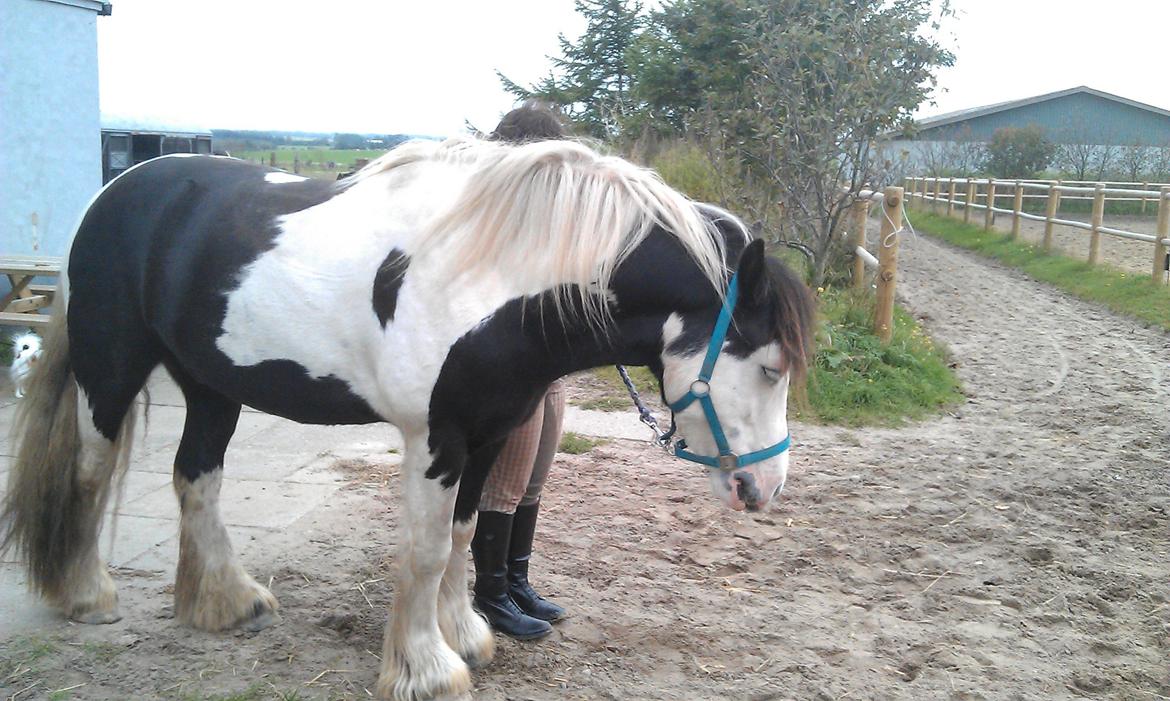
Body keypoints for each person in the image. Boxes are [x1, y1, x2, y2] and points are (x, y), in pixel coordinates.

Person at [470, 103, 569, 640]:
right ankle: (490, 594)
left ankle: (516, 581)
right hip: (517, 367)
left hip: (552, 368)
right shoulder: (498, 215)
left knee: (534, 479)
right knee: (506, 483)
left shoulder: (550, 215)